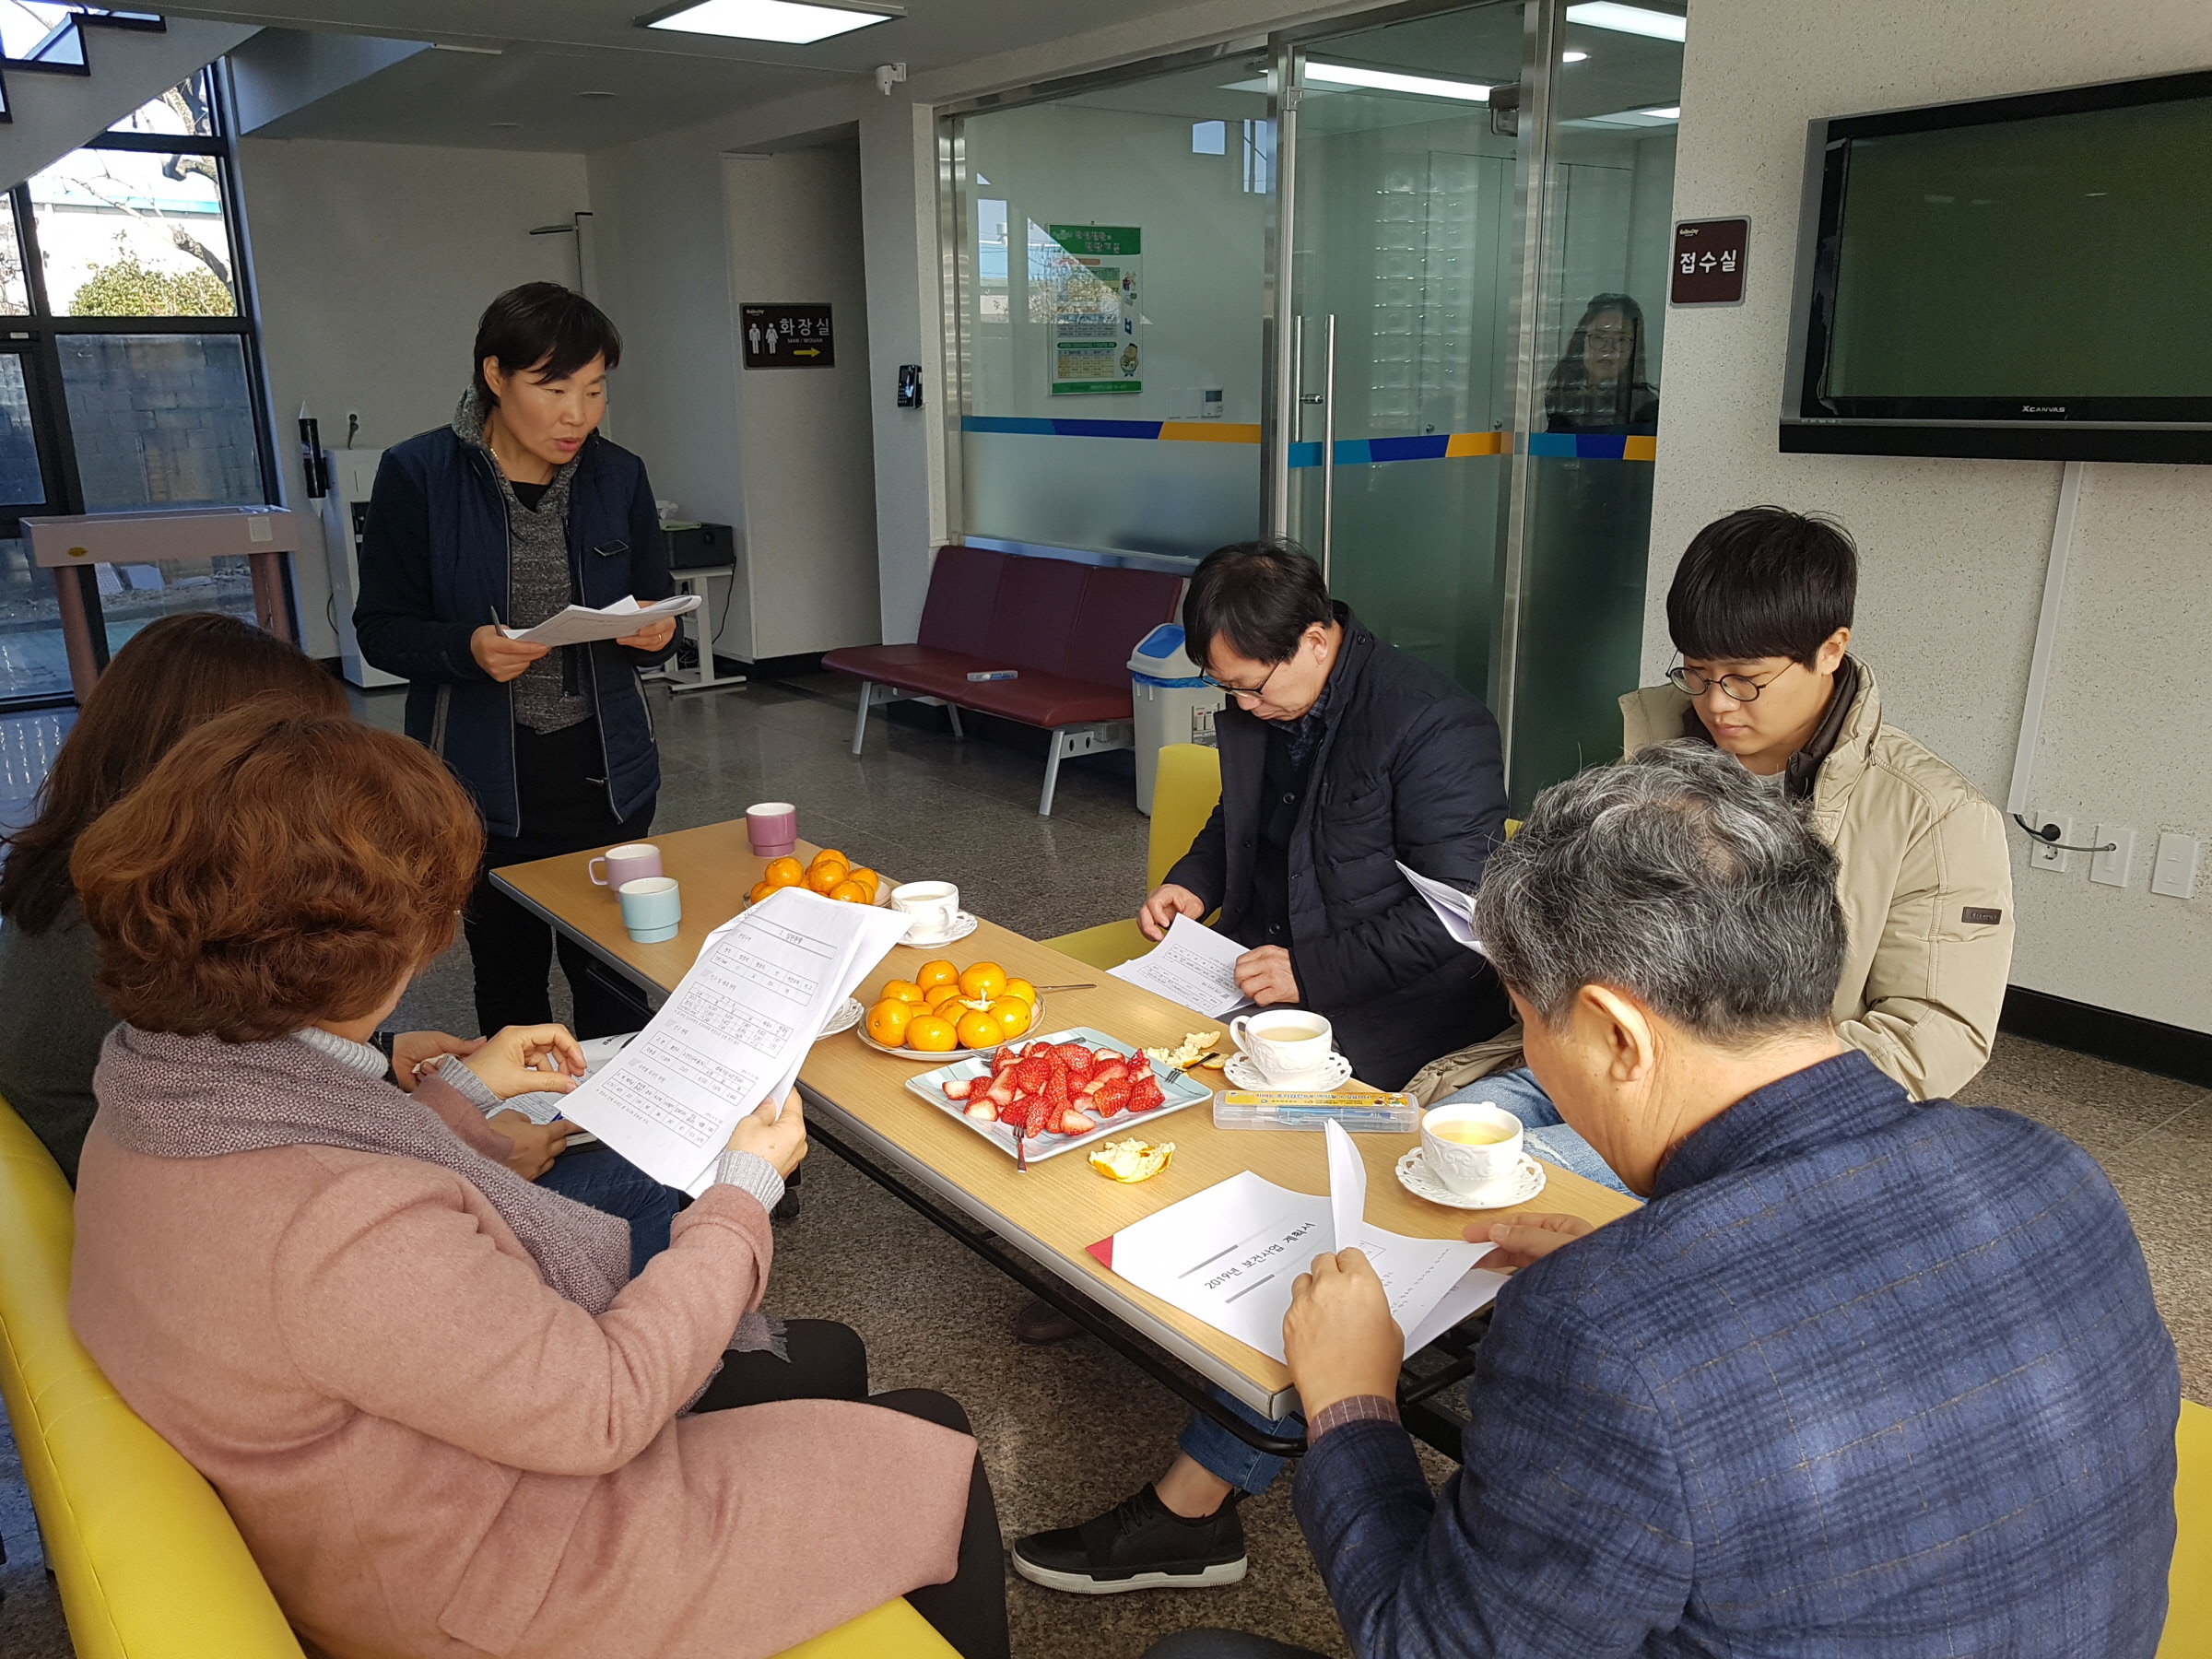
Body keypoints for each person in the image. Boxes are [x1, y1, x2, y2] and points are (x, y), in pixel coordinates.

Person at [1169, 744, 2178, 1659]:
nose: (1530, 1058)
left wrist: (1352, 1402)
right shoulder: (2054, 1169)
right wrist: (1631, 1261)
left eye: (1526, 1020)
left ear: (1617, 1034)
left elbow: (1430, 1646)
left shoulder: (1601, 1332)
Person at [66, 702, 1008, 1659]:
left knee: (827, 1354)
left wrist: (463, 1093)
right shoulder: (336, 1226)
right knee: (934, 1447)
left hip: (376, 1488)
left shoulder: (161, 1086)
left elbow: (342, 1161)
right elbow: (600, 1406)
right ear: (373, 945)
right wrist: (740, 1195)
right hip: (478, 1583)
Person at [1010, 539, 1512, 1590]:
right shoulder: (1263, 702)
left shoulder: (1434, 724)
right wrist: (1192, 885)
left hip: (1391, 1010)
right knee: (1130, 1068)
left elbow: (1462, 918)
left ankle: (1213, 1467)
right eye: (1225, 688)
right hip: (1254, 970)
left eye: (1251, 686)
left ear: (1318, 639)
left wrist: (1311, 970)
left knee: (1272, 1157)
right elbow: (1235, 827)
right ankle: (1122, 1281)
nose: (1241, 706)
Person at [0, 613, 679, 1270]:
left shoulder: (111, 889)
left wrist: (380, 1054)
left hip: (171, 1216)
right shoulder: (133, 931)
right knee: (644, 1176)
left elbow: (238, 1067)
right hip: (218, 1238)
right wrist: (474, 1153)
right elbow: (285, 1169)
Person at [1427, 506, 2014, 1195]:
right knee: (1440, 1136)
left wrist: (1730, 1101)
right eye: (1698, 673)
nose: (1718, 704)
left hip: (1746, 1107)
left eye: (1746, 679)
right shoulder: (1643, 744)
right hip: (1596, 1050)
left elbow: (1935, 1030)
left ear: (1831, 649)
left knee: (1514, 1176)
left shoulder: (1933, 815)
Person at [0, 613, 444, 1180]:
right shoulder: (138, 925)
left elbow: (236, 1051)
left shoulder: (84, 877)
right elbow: (256, 1120)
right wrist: (457, 1132)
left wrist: (378, 1053)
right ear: (221, 766)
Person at [354, 281, 678, 1040]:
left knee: (615, 978)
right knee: (508, 979)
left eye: (594, 390)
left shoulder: (618, 475)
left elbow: (656, 605)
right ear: (495, 376)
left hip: (607, 778)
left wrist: (656, 634)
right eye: (553, 388)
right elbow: (381, 630)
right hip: (477, 789)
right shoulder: (419, 475)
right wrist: (463, 648)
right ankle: (522, 1108)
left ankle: (617, 1112)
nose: (578, 415)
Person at [1544, 292, 1660, 435]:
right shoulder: (1558, 397)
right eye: (1598, 337)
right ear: (1581, 342)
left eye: (1621, 339)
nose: (1608, 348)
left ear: (1634, 349)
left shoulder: (1646, 408)